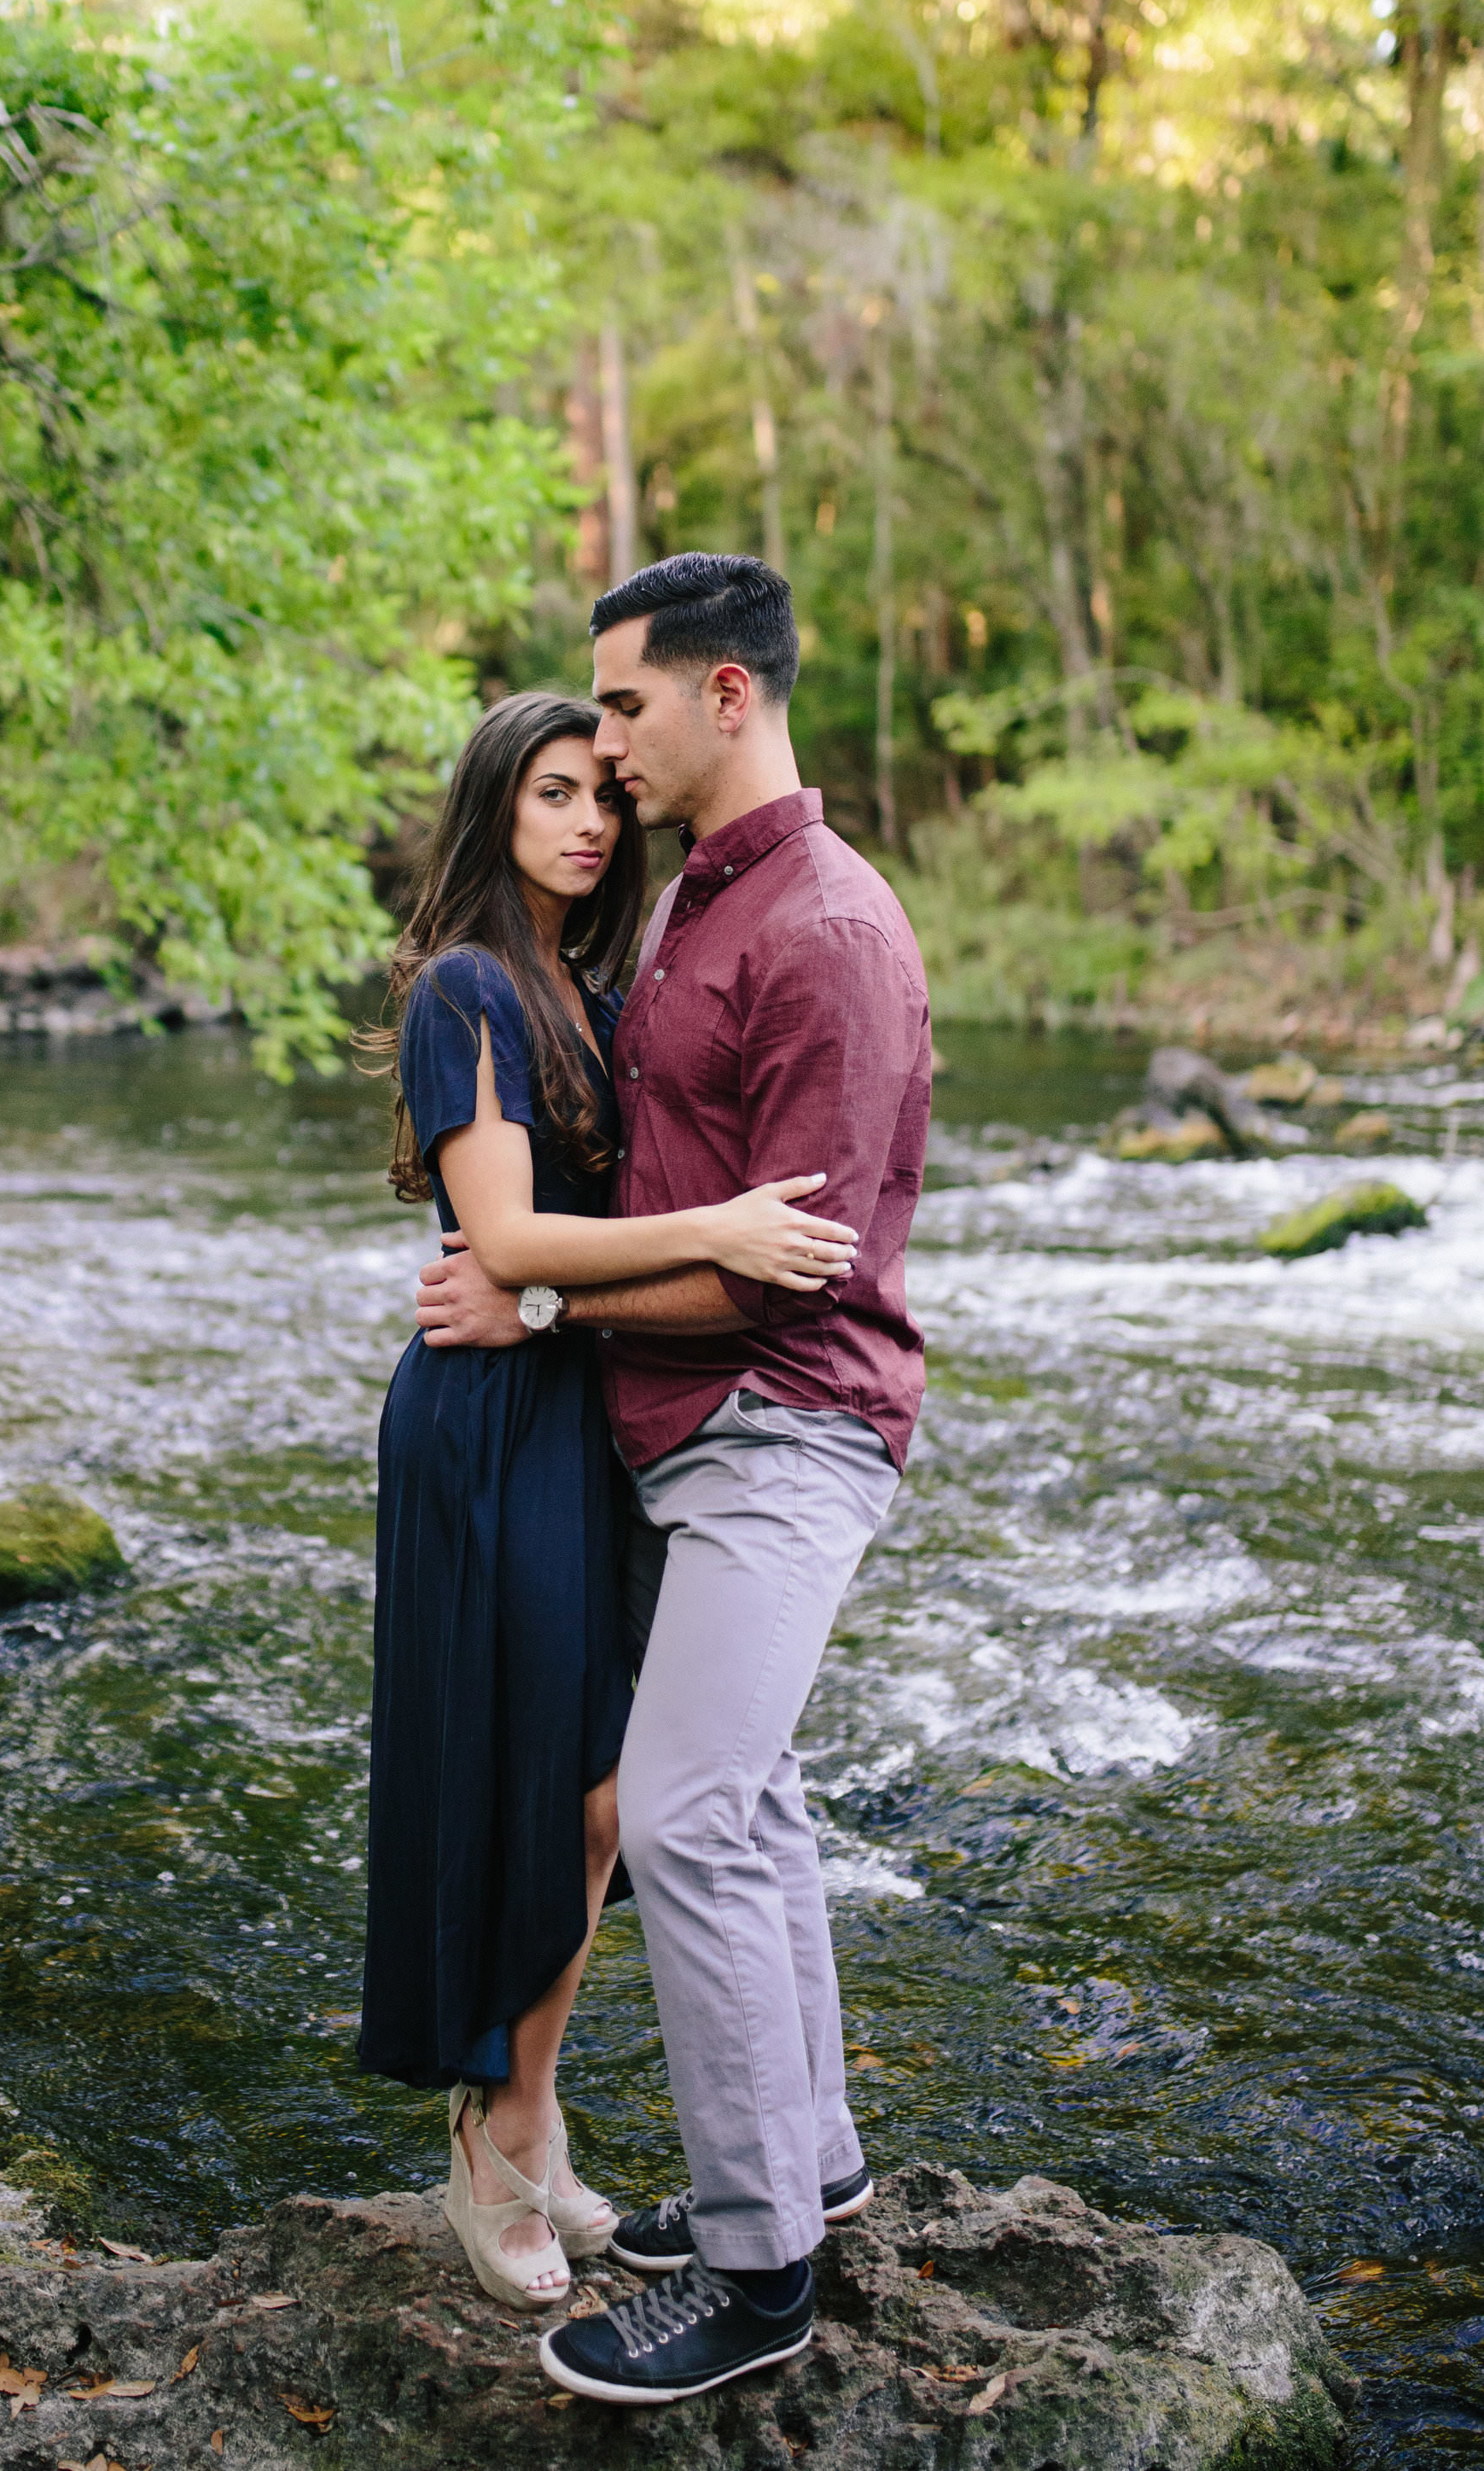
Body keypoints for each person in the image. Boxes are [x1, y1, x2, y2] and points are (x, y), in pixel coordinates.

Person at [414, 557, 934, 2405]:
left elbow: (781, 1270)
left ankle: (757, 2268)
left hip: (787, 1426)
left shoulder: (828, 932)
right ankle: (816, 2155)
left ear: (726, 695)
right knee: (759, 1797)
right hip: (684, 1436)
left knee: (692, 1813)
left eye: (622, 708)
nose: (603, 746)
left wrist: (539, 1283)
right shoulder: (700, 902)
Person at [358, 686, 862, 2317]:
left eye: (604, 799)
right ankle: (496, 2142)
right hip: (484, 1420)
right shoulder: (464, 991)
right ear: (495, 807)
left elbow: (557, 1263)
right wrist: (722, 1229)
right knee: (524, 1787)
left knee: (597, 1803)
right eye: (553, 794)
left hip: (576, 1409)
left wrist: (661, 1263)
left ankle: (531, 2114)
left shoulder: (586, 988)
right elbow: (499, 1243)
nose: (589, 822)